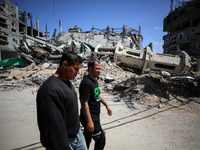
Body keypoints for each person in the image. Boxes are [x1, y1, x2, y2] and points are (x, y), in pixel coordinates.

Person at [36, 52, 87, 150]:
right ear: (65, 65)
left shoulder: (66, 81)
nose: (78, 72)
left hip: (77, 136)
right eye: (76, 68)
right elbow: (54, 128)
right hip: (64, 143)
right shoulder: (50, 90)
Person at [79, 59, 112, 150]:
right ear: (90, 69)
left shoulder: (94, 81)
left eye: (100, 69)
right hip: (90, 117)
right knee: (101, 140)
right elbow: (84, 103)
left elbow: (98, 94)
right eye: (97, 69)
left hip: (94, 116)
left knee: (86, 139)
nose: (99, 71)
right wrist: (90, 121)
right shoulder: (86, 83)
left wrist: (107, 105)